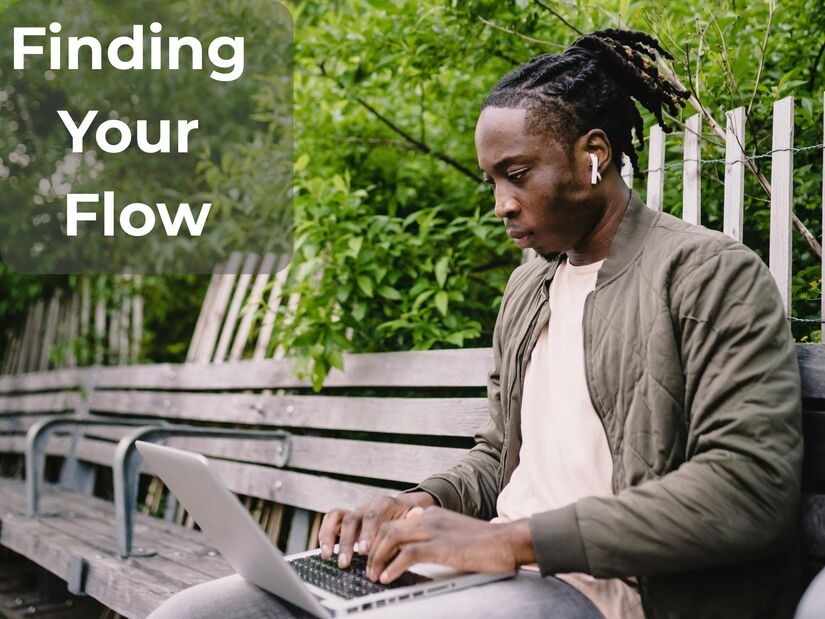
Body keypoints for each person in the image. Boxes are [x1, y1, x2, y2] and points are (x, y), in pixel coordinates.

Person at [149, 28, 803, 619]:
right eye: (492, 181)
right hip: (487, 572)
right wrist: (419, 503)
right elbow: (497, 458)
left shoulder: (708, 274)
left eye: (515, 175)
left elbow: (748, 488)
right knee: (195, 612)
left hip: (612, 590)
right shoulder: (529, 288)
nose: (500, 204)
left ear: (593, 156)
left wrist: (506, 540)